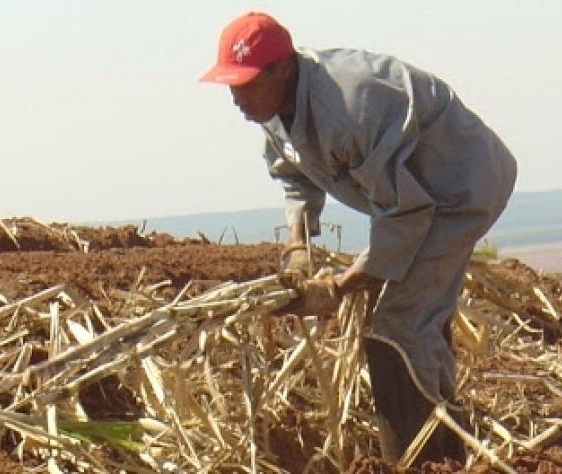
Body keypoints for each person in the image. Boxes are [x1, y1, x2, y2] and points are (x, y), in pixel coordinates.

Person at [200, 11, 517, 464]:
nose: (237, 98)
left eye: (247, 83)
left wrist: (336, 289)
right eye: (231, 85)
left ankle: (425, 463)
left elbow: (405, 217)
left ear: (282, 68)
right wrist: (297, 250)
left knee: (399, 326)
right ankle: (455, 445)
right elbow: (295, 175)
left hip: (459, 190)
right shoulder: (274, 109)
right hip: (414, 196)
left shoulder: (348, 110)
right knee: (419, 313)